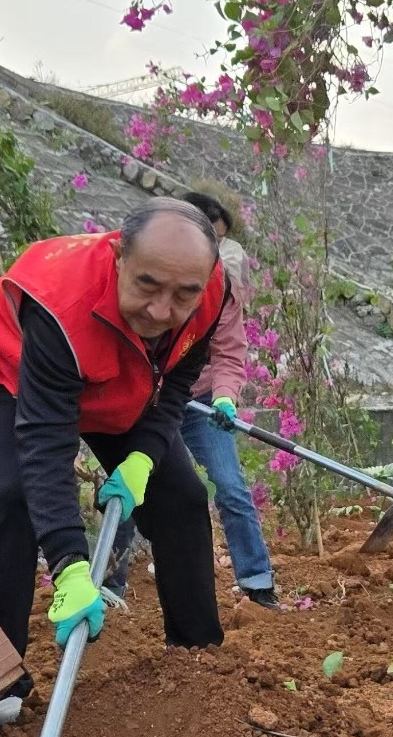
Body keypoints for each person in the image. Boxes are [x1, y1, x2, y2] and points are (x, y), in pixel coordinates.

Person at [0, 198, 229, 730]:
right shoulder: (61, 304)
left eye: (182, 295)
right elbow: (45, 442)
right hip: (9, 369)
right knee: (13, 498)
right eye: (147, 285)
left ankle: (199, 661)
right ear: (119, 255)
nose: (161, 311)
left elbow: (174, 379)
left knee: (183, 498)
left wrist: (145, 457)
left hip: (118, 372)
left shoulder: (210, 294)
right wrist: (70, 567)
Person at [105, 191, 279, 609]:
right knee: (127, 485)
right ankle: (110, 584)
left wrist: (224, 399)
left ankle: (257, 582)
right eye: (207, 238)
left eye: (218, 242)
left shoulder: (220, 290)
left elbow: (230, 352)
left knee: (230, 484)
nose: (211, 252)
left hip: (199, 403)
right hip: (144, 401)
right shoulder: (141, 280)